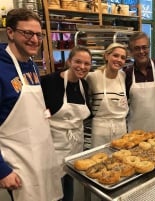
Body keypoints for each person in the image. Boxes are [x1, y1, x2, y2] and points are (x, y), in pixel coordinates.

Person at [0, 8, 62, 201]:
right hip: (19, 164)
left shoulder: (32, 64)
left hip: (43, 155)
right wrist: (2, 171)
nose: (34, 40)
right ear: (10, 32)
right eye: (27, 33)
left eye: (38, 34)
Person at [41, 46, 92, 201]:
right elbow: (39, 112)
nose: (82, 67)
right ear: (69, 61)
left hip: (75, 143)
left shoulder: (84, 85)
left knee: (69, 179)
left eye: (87, 64)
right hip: (54, 145)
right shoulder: (49, 81)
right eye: (78, 61)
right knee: (54, 187)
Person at [124, 32, 155, 138]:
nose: (141, 51)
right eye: (137, 48)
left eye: (144, 47)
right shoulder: (127, 73)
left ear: (149, 48)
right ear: (131, 52)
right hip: (136, 130)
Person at [86, 43, 129, 147]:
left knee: (121, 159)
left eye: (123, 58)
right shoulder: (93, 77)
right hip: (100, 129)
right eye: (115, 55)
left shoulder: (123, 76)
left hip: (121, 128)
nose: (119, 60)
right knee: (99, 160)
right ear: (106, 56)